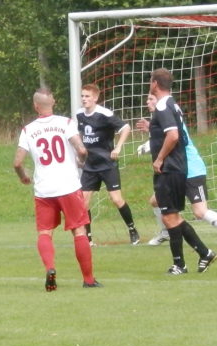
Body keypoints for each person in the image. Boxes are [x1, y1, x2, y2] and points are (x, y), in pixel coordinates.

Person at [13, 88, 100, 291]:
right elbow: (81, 149)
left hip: (44, 189)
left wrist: (24, 176)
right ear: (52, 102)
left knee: (45, 232)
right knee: (79, 230)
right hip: (68, 186)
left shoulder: (28, 130)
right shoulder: (65, 123)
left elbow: (17, 163)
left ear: (36, 106)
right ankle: (88, 279)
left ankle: (51, 268)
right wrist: (80, 161)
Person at [137, 94, 217, 249]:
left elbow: (174, 138)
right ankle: (166, 232)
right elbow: (163, 137)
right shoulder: (163, 117)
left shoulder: (167, 114)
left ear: (159, 101)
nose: (147, 102)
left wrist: (148, 147)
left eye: (151, 99)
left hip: (192, 169)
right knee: (156, 201)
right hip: (177, 170)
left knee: (200, 212)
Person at [146, 68, 216, 275]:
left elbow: (174, 135)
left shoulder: (162, 105)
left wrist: (159, 159)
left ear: (155, 84)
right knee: (172, 216)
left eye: (151, 81)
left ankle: (180, 265)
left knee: (169, 217)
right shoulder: (172, 104)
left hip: (170, 168)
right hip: (175, 167)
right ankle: (204, 253)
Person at [76, 83, 139, 245]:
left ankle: (132, 230)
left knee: (116, 199)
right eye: (82, 96)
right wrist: (79, 155)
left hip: (107, 164)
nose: (84, 99)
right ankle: (88, 239)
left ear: (95, 98)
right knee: (83, 202)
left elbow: (125, 128)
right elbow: (77, 135)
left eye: (87, 96)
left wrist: (118, 147)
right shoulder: (79, 115)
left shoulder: (104, 114)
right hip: (90, 165)